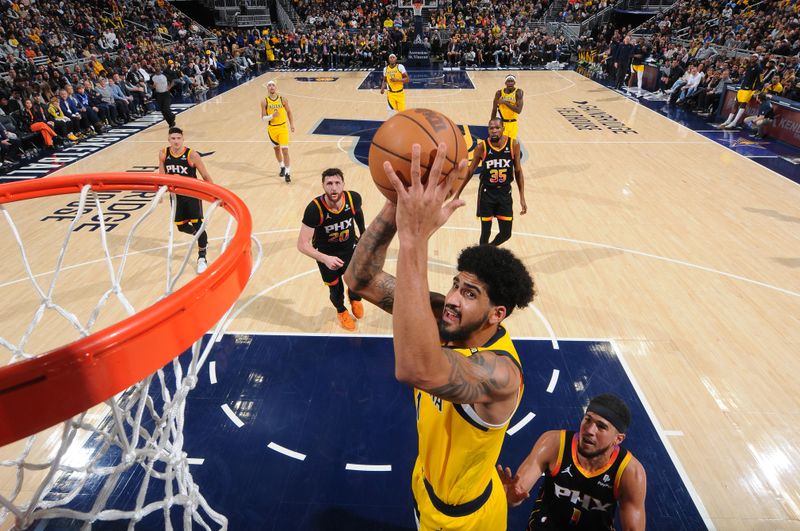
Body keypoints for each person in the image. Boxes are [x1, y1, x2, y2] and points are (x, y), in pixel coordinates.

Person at [343, 143, 536, 530]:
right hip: (425, 483)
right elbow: (359, 278)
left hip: (466, 520)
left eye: (469, 294)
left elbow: (416, 368)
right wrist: (396, 206)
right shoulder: (448, 319)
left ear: (497, 314)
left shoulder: (500, 374)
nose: (450, 300)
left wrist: (415, 236)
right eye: (455, 285)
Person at [497, 394, 647, 530]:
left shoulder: (630, 472)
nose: (589, 430)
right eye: (587, 419)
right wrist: (510, 498)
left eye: (601, 426)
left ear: (618, 439)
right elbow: (518, 491)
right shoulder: (553, 444)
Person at [297, 168, 366, 331]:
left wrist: (363, 233)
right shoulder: (314, 209)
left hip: (350, 250)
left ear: (343, 184)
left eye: (337, 183)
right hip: (326, 256)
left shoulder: (353, 198)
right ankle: (341, 311)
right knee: (335, 289)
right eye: (329, 183)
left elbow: (358, 212)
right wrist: (325, 259)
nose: (333, 188)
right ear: (323, 186)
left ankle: (354, 298)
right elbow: (302, 244)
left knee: (356, 282)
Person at [455, 118, 527, 247]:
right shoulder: (481, 147)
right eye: (491, 128)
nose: (494, 131)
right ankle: (483, 260)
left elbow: (518, 171)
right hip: (487, 193)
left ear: (503, 129)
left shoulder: (513, 144)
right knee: (485, 232)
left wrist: (522, 197)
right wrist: (457, 193)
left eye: (497, 128)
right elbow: (470, 171)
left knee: (506, 234)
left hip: (505, 193)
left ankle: (488, 250)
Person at [157, 127, 214, 274]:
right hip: (175, 196)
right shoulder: (163, 153)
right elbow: (161, 175)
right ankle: (202, 237)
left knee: (197, 224)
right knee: (181, 227)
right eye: (173, 139)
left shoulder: (192, 155)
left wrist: (215, 193)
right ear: (169, 140)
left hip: (192, 195)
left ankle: (202, 257)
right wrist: (160, 193)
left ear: (183, 139)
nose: (176, 141)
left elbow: (205, 175)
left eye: (178, 138)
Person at [260, 80, 295, 183]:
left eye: (273, 85)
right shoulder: (264, 101)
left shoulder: (282, 99)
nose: (271, 87)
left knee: (285, 150)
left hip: (283, 127)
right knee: (276, 150)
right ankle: (282, 166)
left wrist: (292, 124)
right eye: (269, 85)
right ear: (267, 88)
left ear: (276, 88)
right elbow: (263, 118)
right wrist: (272, 116)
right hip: (272, 129)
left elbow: (289, 112)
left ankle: (288, 173)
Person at [717, 54, 762, 129]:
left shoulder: (759, 68)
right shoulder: (749, 66)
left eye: (755, 57)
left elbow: (760, 80)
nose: (753, 58)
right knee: (735, 104)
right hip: (742, 87)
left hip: (749, 89)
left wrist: (757, 90)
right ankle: (728, 121)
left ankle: (734, 122)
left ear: (757, 59)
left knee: (742, 105)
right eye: (752, 56)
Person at [491, 75, 524, 141]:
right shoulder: (499, 93)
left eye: (512, 81)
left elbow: (518, 110)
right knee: (502, 143)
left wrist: (505, 102)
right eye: (508, 81)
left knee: (511, 144)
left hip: (513, 123)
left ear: (515, 83)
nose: (510, 83)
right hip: (503, 123)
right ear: (505, 83)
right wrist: (492, 123)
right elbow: (494, 110)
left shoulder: (518, 92)